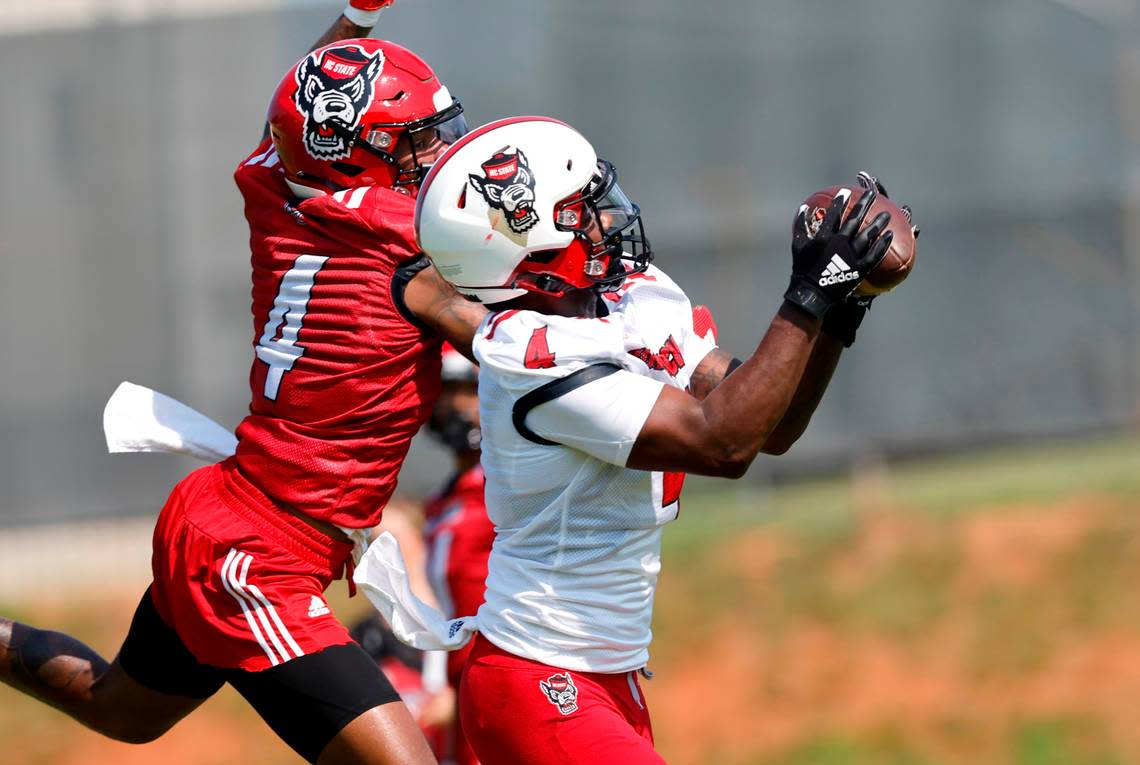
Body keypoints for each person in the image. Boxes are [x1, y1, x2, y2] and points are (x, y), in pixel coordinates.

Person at [0, 4, 487, 763]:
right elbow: (523, 354)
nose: (433, 156)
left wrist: (357, 16)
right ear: (358, 156)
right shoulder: (408, 263)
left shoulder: (283, 191)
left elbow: (300, 112)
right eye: (415, 141)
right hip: (259, 552)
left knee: (125, 709)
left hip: (232, 512)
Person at [389, 116, 916, 764]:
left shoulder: (629, 301)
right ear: (531, 241)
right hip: (539, 679)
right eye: (582, 207)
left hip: (607, 678)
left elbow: (769, 427)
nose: (609, 217)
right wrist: (809, 292)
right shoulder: (533, 353)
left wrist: (842, 306)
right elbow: (721, 443)